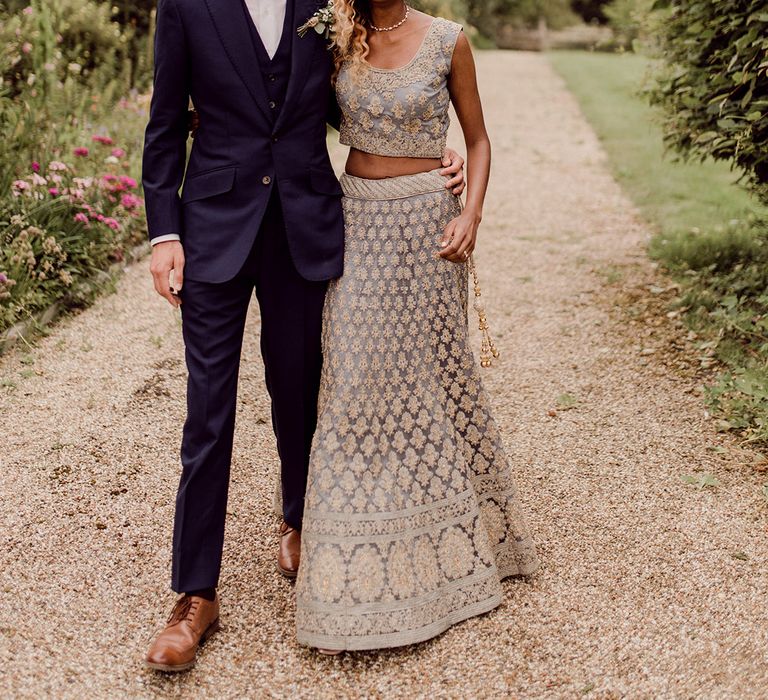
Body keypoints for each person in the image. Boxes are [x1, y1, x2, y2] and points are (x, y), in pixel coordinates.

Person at [140, 0, 465, 672]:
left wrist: (433, 146)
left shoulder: (330, 5)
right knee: (209, 412)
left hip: (304, 225)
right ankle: (194, 594)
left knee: (299, 389)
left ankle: (297, 521)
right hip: (212, 230)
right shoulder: (185, 6)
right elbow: (166, 121)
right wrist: (165, 234)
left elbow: (351, 100)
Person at [294, 0, 540, 653]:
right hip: (358, 223)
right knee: (349, 384)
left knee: (436, 382)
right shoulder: (334, 33)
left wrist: (473, 213)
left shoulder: (448, 40)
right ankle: (345, 566)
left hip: (430, 228)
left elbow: (480, 140)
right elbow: (290, 116)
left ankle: (455, 544)